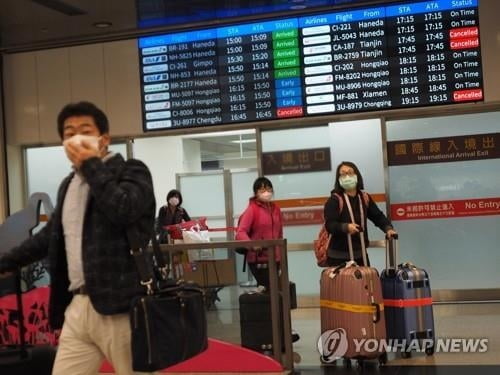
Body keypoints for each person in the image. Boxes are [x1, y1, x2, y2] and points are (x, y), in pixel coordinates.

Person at [0, 101, 156, 375]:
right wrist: (5, 262)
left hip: (122, 306)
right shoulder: (68, 184)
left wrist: (91, 164)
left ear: (104, 139)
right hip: (78, 306)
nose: (75, 138)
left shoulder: (132, 171)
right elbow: (49, 238)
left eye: (84, 130)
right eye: (69, 133)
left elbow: (124, 210)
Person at [324, 161, 397, 267]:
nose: (347, 176)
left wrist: (388, 228)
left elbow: (377, 216)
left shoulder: (364, 197)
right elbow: (329, 225)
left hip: (360, 254)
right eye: (343, 174)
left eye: (350, 173)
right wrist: (346, 227)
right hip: (338, 257)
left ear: (357, 175)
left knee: (365, 282)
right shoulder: (334, 200)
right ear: (339, 179)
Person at [236, 177, 283, 290]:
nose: (266, 193)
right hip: (259, 258)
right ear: (256, 193)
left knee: (273, 290)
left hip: (275, 258)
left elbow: (280, 233)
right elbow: (240, 232)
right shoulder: (253, 209)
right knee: (268, 289)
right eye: (262, 191)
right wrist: (252, 245)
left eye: (268, 189)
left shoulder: (276, 209)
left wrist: (281, 256)